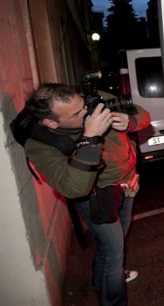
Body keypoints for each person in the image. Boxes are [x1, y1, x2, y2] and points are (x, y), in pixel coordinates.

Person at [23, 83, 151, 306]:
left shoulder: (93, 100)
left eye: (83, 106)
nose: (87, 113)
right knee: (113, 251)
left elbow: (143, 114)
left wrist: (129, 121)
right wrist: (90, 137)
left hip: (128, 184)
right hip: (95, 196)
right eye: (77, 114)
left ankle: (102, 280)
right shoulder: (39, 145)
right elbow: (73, 187)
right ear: (52, 122)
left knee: (111, 246)